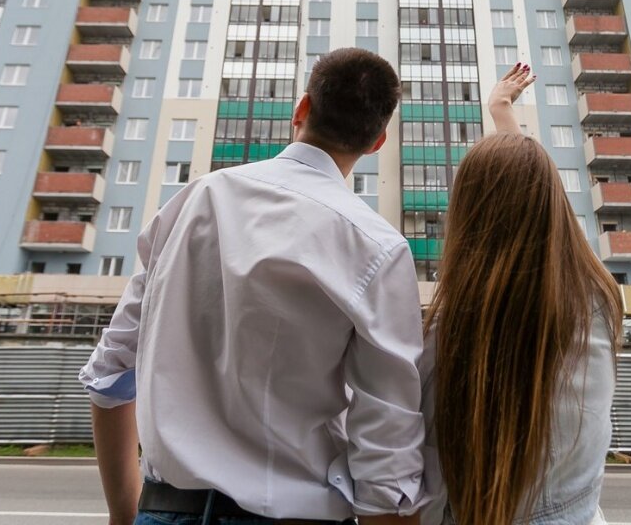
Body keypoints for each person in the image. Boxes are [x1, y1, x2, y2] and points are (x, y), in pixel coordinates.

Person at [80, 48, 426, 525]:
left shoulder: (194, 200)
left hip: (163, 510)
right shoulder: (377, 246)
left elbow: (110, 373)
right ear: (377, 142)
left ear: (301, 109)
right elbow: (387, 446)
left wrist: (126, 515)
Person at [419, 63, 623, 525]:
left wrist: (501, 114)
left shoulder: (447, 335)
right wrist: (502, 115)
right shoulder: (597, 303)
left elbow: (428, 483)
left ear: (466, 217)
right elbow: (543, 210)